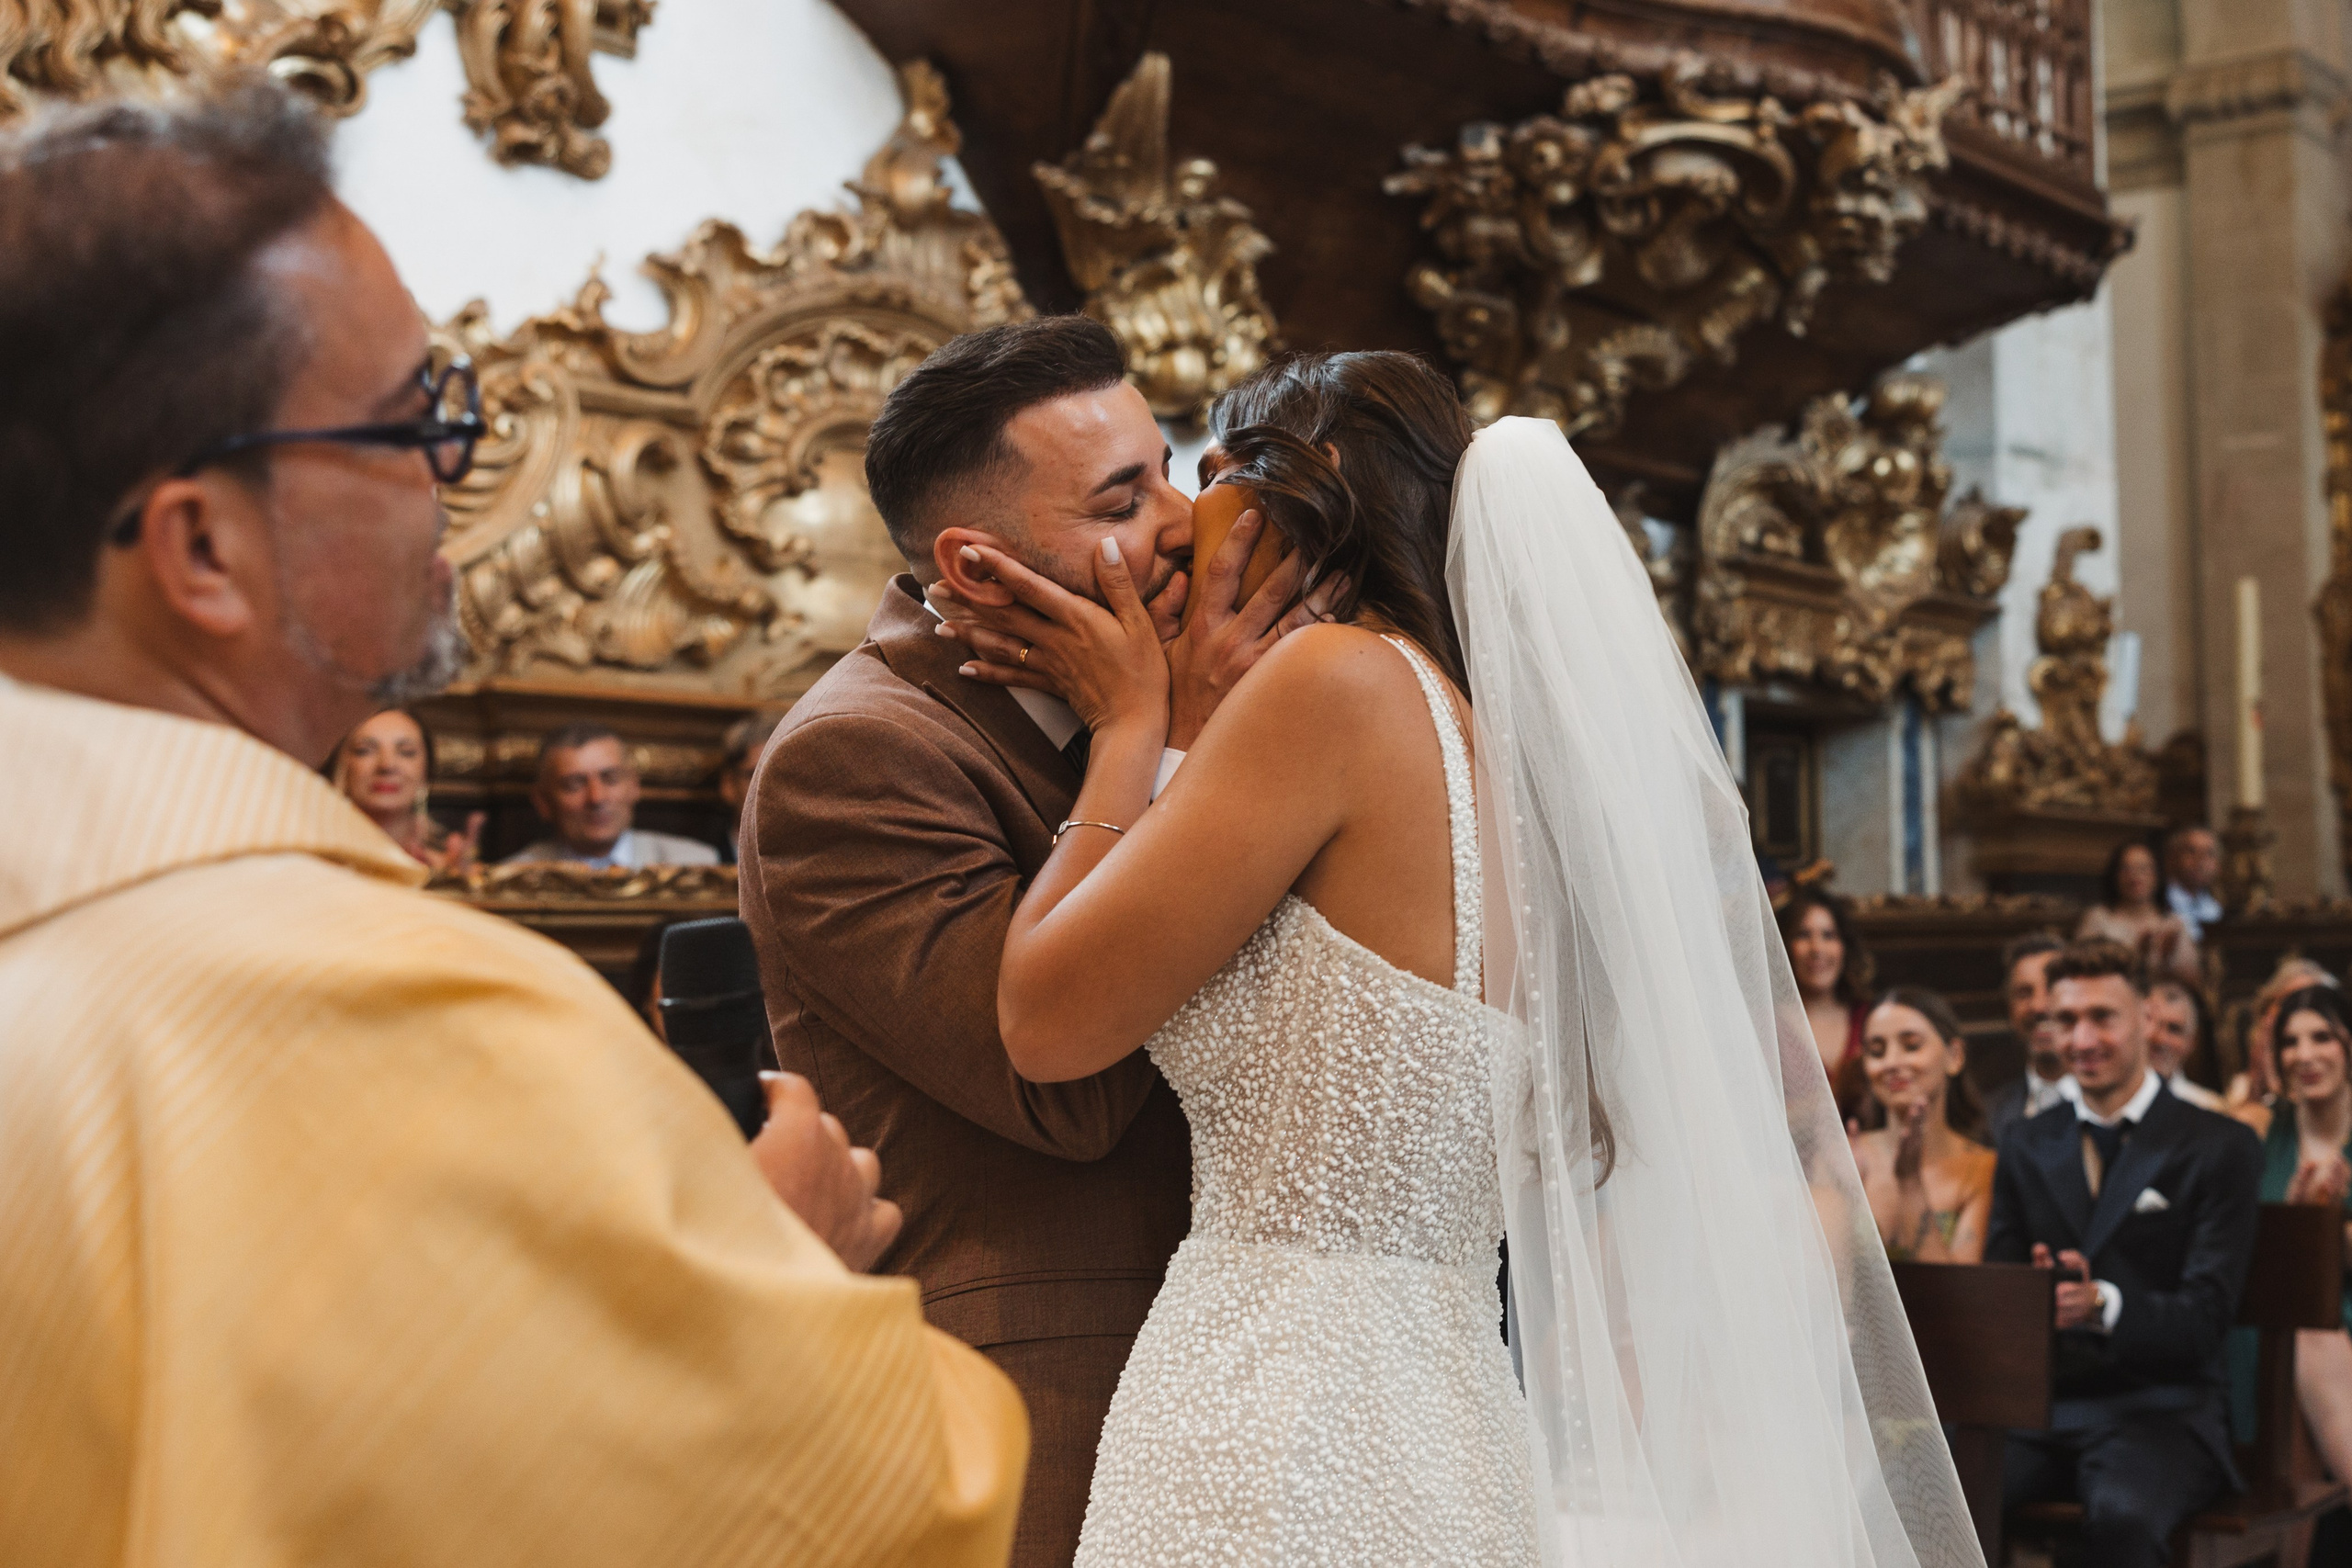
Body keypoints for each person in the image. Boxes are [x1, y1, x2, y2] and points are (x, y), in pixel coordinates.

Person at [0, 82, 1023, 1567]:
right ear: (201, 546)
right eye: (413, 423)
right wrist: (778, 1278)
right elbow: (898, 1500)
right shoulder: (384, 1009)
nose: (455, 478)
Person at [935, 351, 1975, 1566]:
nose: (1179, 521)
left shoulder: (1331, 685)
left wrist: (1129, 731)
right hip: (1449, 1400)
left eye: (1210, 474)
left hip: (1271, 1399)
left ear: (1296, 495)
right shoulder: (1491, 755)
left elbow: (1046, 1022)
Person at [740, 315, 1340, 1568]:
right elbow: (1064, 1091)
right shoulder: (857, 756)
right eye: (1121, 500)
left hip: (1267, 1365)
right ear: (974, 562)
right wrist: (1157, 742)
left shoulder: (1186, 685)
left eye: (1167, 471)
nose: (1182, 521)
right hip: (1042, 1405)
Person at [1987, 940, 2263, 1568]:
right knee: (1932, 1487)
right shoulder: (2026, 1142)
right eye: (2066, 1020)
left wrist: (2101, 1305)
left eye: (2102, 1018)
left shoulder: (2218, 1145)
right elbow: (2001, 1290)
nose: (2082, 1040)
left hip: (2165, 1409)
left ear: (2146, 1016)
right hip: (2046, 1409)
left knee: (2122, 1515)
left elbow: (2206, 1316)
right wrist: (2033, 1296)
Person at [2224, 986, 2352, 1490]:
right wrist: (2296, 1224)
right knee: (2299, 1332)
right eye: (2290, 1042)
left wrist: (2320, 1230)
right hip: (2280, 1315)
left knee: (2310, 1335)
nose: (2305, 1055)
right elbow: (2242, 1248)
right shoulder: (2256, 1131)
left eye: (2322, 1037)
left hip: (2339, 1308)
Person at [1849, 988, 1996, 1262]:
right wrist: (1846, 1201)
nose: (1891, 1063)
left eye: (1912, 1046)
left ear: (1954, 1056)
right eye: (1877, 1051)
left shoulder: (1982, 1167)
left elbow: (1957, 1288)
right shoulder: (1843, 1156)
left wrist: (1910, 1182)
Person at [503, 721, 718, 868]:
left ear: (634, 787)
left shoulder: (695, 865)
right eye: (574, 784)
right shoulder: (513, 879)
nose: (596, 798)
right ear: (542, 802)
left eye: (610, 779)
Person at [328, 705, 482, 872]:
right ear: (342, 767)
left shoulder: (445, 870)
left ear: (426, 773)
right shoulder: (315, 861)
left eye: (406, 752)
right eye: (365, 750)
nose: (387, 765)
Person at [1776, 886, 1874, 1119]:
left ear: (1844, 947)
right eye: (1803, 935)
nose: (1817, 949)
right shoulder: (1767, 1025)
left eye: (1829, 935)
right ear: (1784, 946)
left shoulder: (1870, 1017)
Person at [1984, 930, 2075, 1145]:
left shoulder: (2117, 1098)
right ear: (2009, 1008)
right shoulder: (1988, 1116)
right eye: (2024, 993)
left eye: (2051, 988)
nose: (2039, 1006)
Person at [2078, 839, 2199, 987]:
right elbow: (2081, 971)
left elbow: (2193, 980)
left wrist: (2167, 957)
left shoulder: (2174, 923)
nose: (2135, 876)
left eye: (2144, 869)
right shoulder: (2097, 918)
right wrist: (2138, 953)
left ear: (2157, 875)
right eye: (2126, 869)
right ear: (2115, 876)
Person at [2146, 980, 2228, 1111]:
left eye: (2174, 1029)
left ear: (2191, 1042)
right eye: (2152, 1024)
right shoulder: (2113, 1099)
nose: (2160, 1039)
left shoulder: (2209, 1108)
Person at [715, 710, 779, 863]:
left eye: (779, 775)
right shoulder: (701, 857)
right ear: (729, 784)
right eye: (754, 775)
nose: (768, 788)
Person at [2164, 824, 2224, 944]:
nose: (2201, 860)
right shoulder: (2159, 902)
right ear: (2172, 858)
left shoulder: (2215, 908)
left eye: (2209, 853)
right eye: (2191, 851)